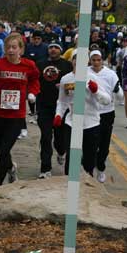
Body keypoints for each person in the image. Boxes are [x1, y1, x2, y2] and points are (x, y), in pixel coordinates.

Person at [0, 34, 40, 186]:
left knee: (5, 151)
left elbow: (35, 81)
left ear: (21, 49)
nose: (11, 50)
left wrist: (32, 93)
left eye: (14, 47)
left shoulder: (29, 65)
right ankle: (11, 168)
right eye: (8, 47)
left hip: (16, 115)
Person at [56, 52, 112, 176]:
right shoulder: (66, 79)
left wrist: (96, 91)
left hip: (91, 124)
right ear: (72, 61)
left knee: (88, 161)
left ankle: (88, 185)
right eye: (75, 59)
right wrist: (58, 115)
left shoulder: (93, 78)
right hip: (72, 123)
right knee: (71, 158)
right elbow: (62, 101)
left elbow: (107, 100)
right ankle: (68, 185)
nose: (78, 62)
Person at [35, 42, 73, 178]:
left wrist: (65, 87)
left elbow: (73, 83)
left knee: (60, 139)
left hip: (62, 107)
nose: (53, 49)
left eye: (56, 47)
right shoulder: (40, 64)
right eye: (51, 47)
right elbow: (35, 81)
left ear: (60, 50)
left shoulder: (67, 65)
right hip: (44, 106)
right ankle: (45, 169)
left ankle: (61, 152)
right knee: (45, 137)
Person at [90, 50, 123, 183]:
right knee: (92, 143)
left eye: (99, 60)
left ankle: (101, 167)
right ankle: (89, 168)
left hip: (107, 113)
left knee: (104, 144)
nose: (96, 62)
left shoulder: (110, 74)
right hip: (91, 112)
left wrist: (118, 92)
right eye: (94, 60)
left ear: (102, 60)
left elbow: (120, 94)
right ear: (90, 60)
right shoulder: (86, 72)